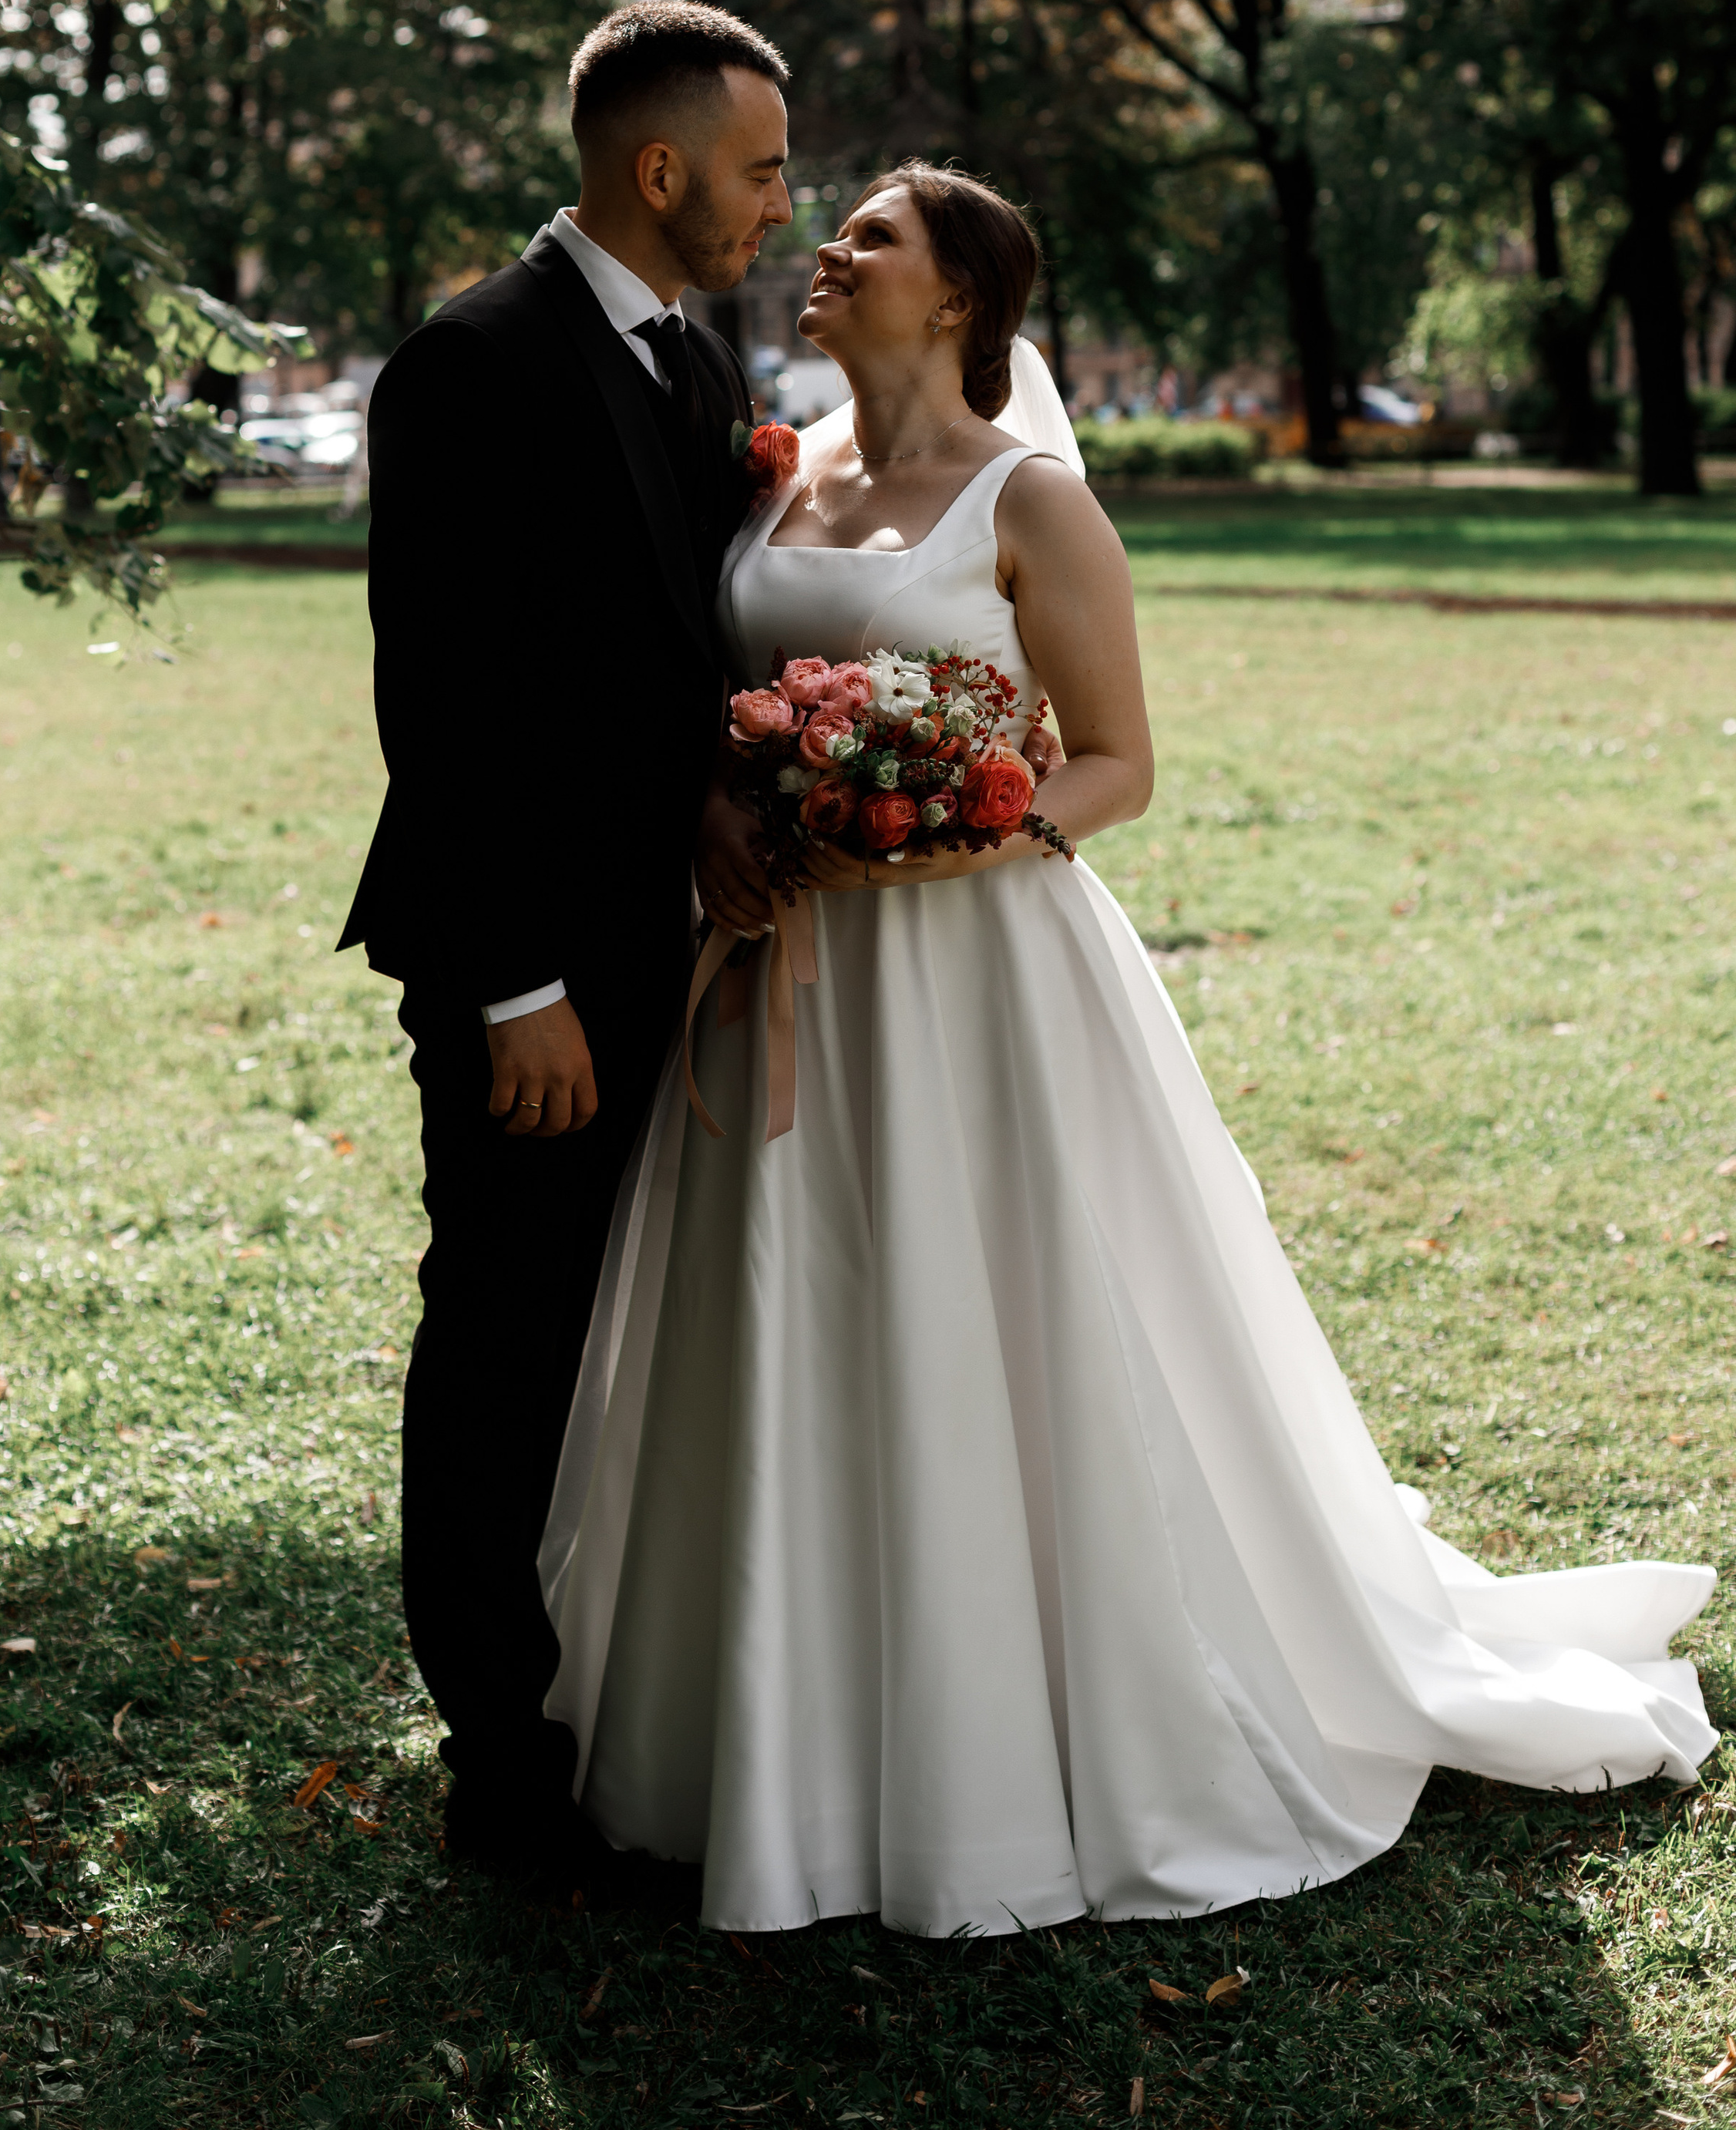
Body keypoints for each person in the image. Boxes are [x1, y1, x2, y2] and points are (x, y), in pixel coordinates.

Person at [540, 161, 1716, 1937]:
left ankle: (1034, 1737)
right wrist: (728, 804)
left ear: (953, 300)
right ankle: (773, 1737)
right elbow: (711, 701)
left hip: (981, 976)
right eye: (829, 226)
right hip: (779, 964)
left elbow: (1114, 763)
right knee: (792, 1312)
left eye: (867, 237)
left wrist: (952, 828)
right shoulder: (773, 473)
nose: (822, 254)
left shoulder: (1032, 504)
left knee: (999, 1314)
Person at [338, 0, 792, 1880]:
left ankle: (603, 1695)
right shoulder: (473, 363)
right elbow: (439, 705)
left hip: (660, 937)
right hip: (524, 965)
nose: (783, 201)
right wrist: (515, 983)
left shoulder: (688, 361)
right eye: (761, 168)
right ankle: (499, 1776)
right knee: (508, 1341)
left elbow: (659, 652)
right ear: (659, 166)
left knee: (611, 1341)